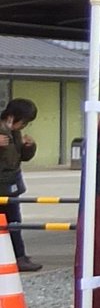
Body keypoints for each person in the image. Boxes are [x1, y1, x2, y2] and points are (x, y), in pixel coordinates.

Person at [0, 97, 39, 270]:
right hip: (2, 184)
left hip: (12, 184)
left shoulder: (14, 133)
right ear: (12, 116)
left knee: (14, 222)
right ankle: (17, 256)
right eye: (24, 122)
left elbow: (20, 157)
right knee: (11, 223)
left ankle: (19, 255)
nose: (24, 126)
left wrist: (29, 147)